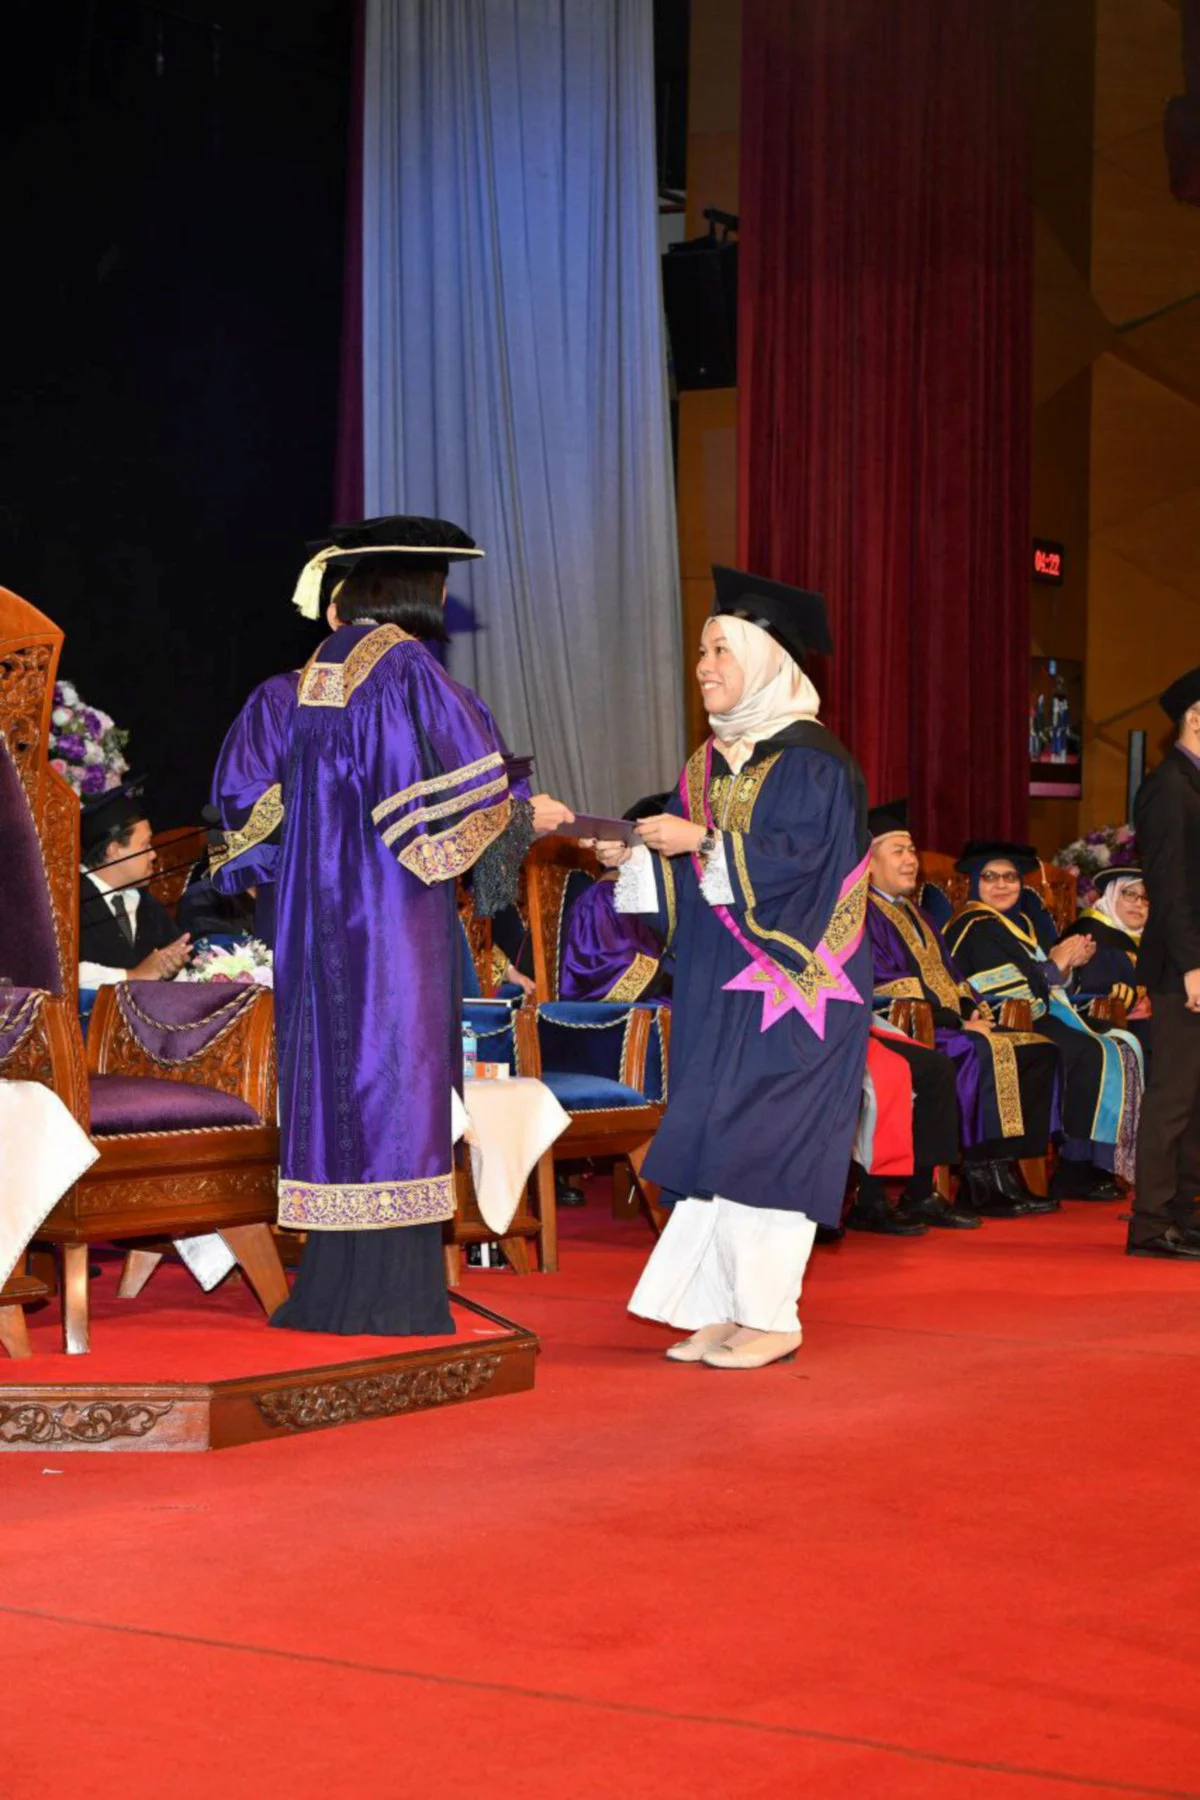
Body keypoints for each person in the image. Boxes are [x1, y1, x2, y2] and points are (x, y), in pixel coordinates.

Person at [211, 514, 573, 1333]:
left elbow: (245, 823)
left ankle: (332, 1291)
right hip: (392, 926)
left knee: (332, 1086)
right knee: (397, 1086)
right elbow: (457, 806)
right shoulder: (409, 670)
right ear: (420, 593)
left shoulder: (283, 692)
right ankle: (395, 1298)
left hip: (310, 930)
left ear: (341, 602)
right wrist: (524, 814)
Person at [594, 566, 871, 1371]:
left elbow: (802, 865)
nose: (704, 665)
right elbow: (694, 889)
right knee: (717, 1136)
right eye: (701, 651)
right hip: (721, 988)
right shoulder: (707, 765)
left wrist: (704, 845)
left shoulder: (814, 763)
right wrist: (641, 855)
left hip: (799, 988)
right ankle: (723, 1309)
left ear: (768, 659)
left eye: (722, 649)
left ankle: (772, 1316)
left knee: (768, 1141)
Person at [864, 804, 1058, 1220]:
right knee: (985, 1050)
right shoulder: (864, 913)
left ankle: (1005, 1169)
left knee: (1037, 1049)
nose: (911, 859)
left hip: (950, 1022)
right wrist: (957, 1021)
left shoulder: (917, 914)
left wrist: (972, 1008)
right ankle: (978, 1178)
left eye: (912, 849)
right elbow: (886, 984)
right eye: (899, 850)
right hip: (907, 1028)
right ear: (869, 861)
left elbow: (954, 976)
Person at [944, 842, 1142, 1198]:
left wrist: (1067, 968)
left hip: (1043, 1013)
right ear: (974, 882)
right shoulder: (973, 925)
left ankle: (1087, 1165)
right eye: (991, 877)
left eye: (1011, 877)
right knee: (1085, 1050)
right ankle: (1072, 1168)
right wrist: (1056, 965)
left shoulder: (1020, 923)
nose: (1002, 885)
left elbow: (1050, 981)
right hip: (1006, 1018)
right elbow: (1001, 986)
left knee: (1116, 1044)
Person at [1127, 667, 1200, 1260]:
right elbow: (1169, 887)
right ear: (1195, 717)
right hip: (1185, 966)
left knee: (1197, 1098)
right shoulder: (1170, 786)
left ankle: (1186, 1212)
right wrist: (1193, 965)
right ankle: (1151, 1224)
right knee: (1174, 1096)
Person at [78, 778, 191, 987]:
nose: (153, 855)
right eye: (145, 845)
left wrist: (171, 968)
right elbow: (58, 972)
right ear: (115, 850)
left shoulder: (148, 905)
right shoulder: (65, 900)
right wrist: (132, 976)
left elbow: (172, 966)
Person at [558, 795, 671, 1002]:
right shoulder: (602, 900)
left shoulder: (672, 893)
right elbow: (606, 969)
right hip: (631, 1008)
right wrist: (676, 974)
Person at [1055, 867, 1148, 1027]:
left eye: (1146, 897)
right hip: (1090, 1028)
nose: (1139, 903)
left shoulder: (1154, 941)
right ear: (1112, 895)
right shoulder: (1088, 933)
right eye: (1130, 894)